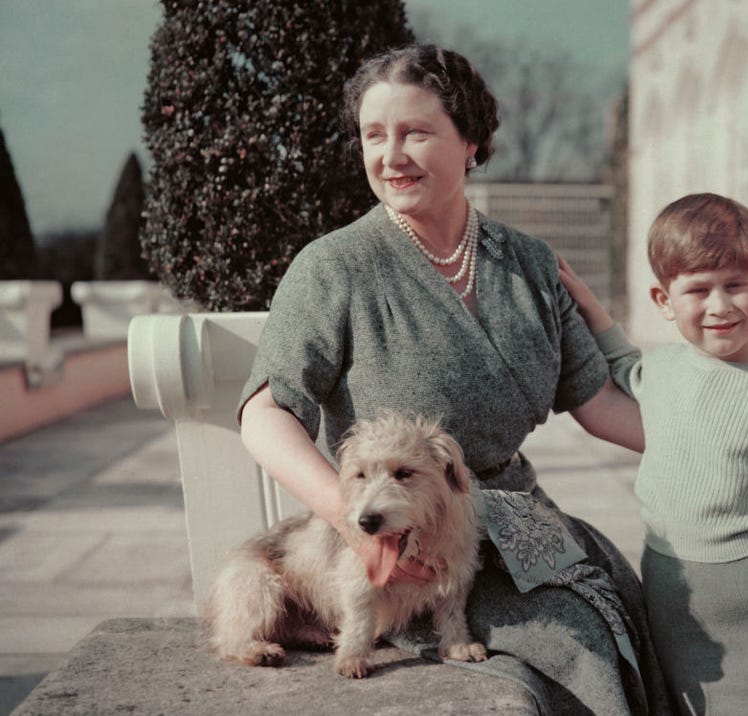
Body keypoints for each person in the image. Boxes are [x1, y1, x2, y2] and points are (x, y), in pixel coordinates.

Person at [238, 44, 668, 716]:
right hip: (399, 547)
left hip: (517, 523)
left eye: (416, 132)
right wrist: (352, 523)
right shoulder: (333, 268)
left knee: (623, 606)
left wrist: (725, 445)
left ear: (472, 141)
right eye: (373, 135)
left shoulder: (527, 263)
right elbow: (265, 414)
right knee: (571, 645)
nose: (391, 155)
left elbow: (603, 405)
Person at [559, 193, 748, 714]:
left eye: (735, 285)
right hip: (671, 590)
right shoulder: (665, 369)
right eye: (698, 290)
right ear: (663, 301)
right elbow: (624, 362)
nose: (720, 306)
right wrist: (589, 306)